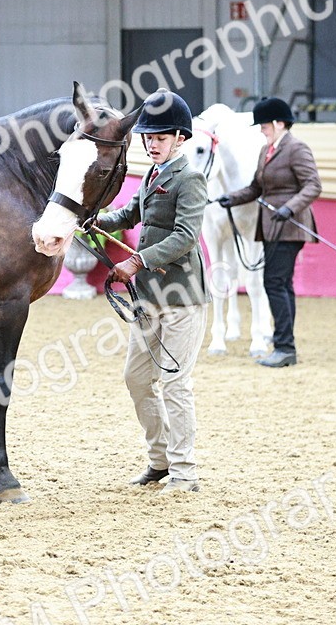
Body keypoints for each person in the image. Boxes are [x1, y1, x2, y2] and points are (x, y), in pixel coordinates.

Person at [96, 90, 209, 494]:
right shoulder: (151, 175)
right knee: (137, 379)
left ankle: (185, 472)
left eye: (160, 137)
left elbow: (185, 236)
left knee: (175, 384)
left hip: (182, 299)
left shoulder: (190, 179)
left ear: (180, 137)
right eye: (148, 137)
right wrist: (94, 222)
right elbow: (130, 214)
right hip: (148, 301)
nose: (151, 143)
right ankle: (159, 461)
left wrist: (137, 261)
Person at [217, 97, 321, 368]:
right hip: (272, 227)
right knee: (279, 284)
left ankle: (284, 346)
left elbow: (313, 185)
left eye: (264, 125)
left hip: (290, 226)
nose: (261, 130)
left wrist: (289, 208)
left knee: (275, 283)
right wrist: (232, 198)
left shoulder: (296, 149)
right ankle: (284, 345)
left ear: (278, 123)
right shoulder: (267, 151)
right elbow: (256, 188)